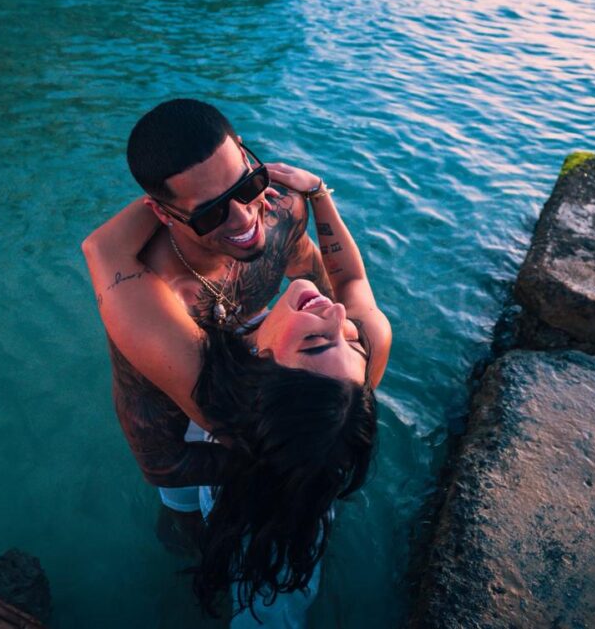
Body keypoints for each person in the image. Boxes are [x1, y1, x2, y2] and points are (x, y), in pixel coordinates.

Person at [91, 156, 391, 626]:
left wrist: (193, 197)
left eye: (317, 341)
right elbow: (351, 280)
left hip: (276, 510)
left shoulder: (208, 387)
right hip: (305, 469)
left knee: (269, 599)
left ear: (262, 373)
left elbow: (102, 249)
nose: (336, 313)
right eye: (350, 341)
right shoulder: (364, 357)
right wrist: (318, 193)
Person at [82, 99, 333, 515]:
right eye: (210, 213)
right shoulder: (152, 299)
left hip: (254, 366)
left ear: (248, 159)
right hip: (188, 426)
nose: (244, 219)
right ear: (162, 214)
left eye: (247, 186)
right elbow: (162, 461)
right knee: (188, 527)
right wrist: (279, 473)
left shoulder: (280, 214)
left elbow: (326, 287)